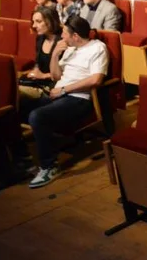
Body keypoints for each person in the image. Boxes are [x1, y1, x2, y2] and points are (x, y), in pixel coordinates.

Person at [22, 17, 109, 189]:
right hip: (58, 94)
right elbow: (55, 76)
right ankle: (22, 159)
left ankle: (49, 166)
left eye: (64, 34)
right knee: (18, 106)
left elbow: (96, 79)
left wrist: (64, 90)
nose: (61, 37)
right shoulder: (69, 49)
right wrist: (55, 55)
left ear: (75, 36)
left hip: (78, 98)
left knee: (37, 116)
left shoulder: (97, 47)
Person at [19, 7, 63, 101]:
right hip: (38, 83)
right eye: (33, 22)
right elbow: (38, 64)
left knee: (15, 93)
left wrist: (43, 75)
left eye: (38, 21)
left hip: (53, 87)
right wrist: (34, 71)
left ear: (51, 21)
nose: (34, 26)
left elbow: (66, 73)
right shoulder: (40, 38)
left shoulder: (62, 41)